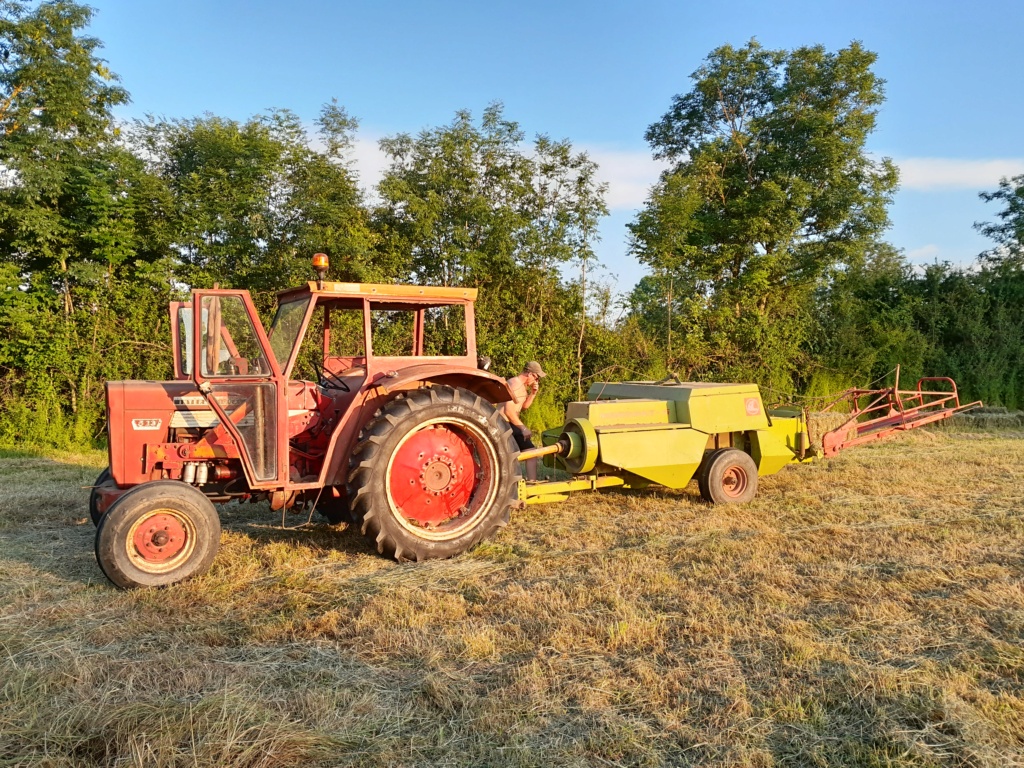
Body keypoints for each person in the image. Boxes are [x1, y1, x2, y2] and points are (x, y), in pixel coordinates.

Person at [504, 361, 545, 481]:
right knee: (519, 455)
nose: (536, 381)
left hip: (512, 423)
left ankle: (532, 483)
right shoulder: (515, 384)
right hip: (505, 424)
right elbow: (508, 411)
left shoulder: (522, 387)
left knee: (531, 453)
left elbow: (524, 406)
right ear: (530, 374)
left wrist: (533, 393)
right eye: (536, 378)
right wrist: (523, 428)